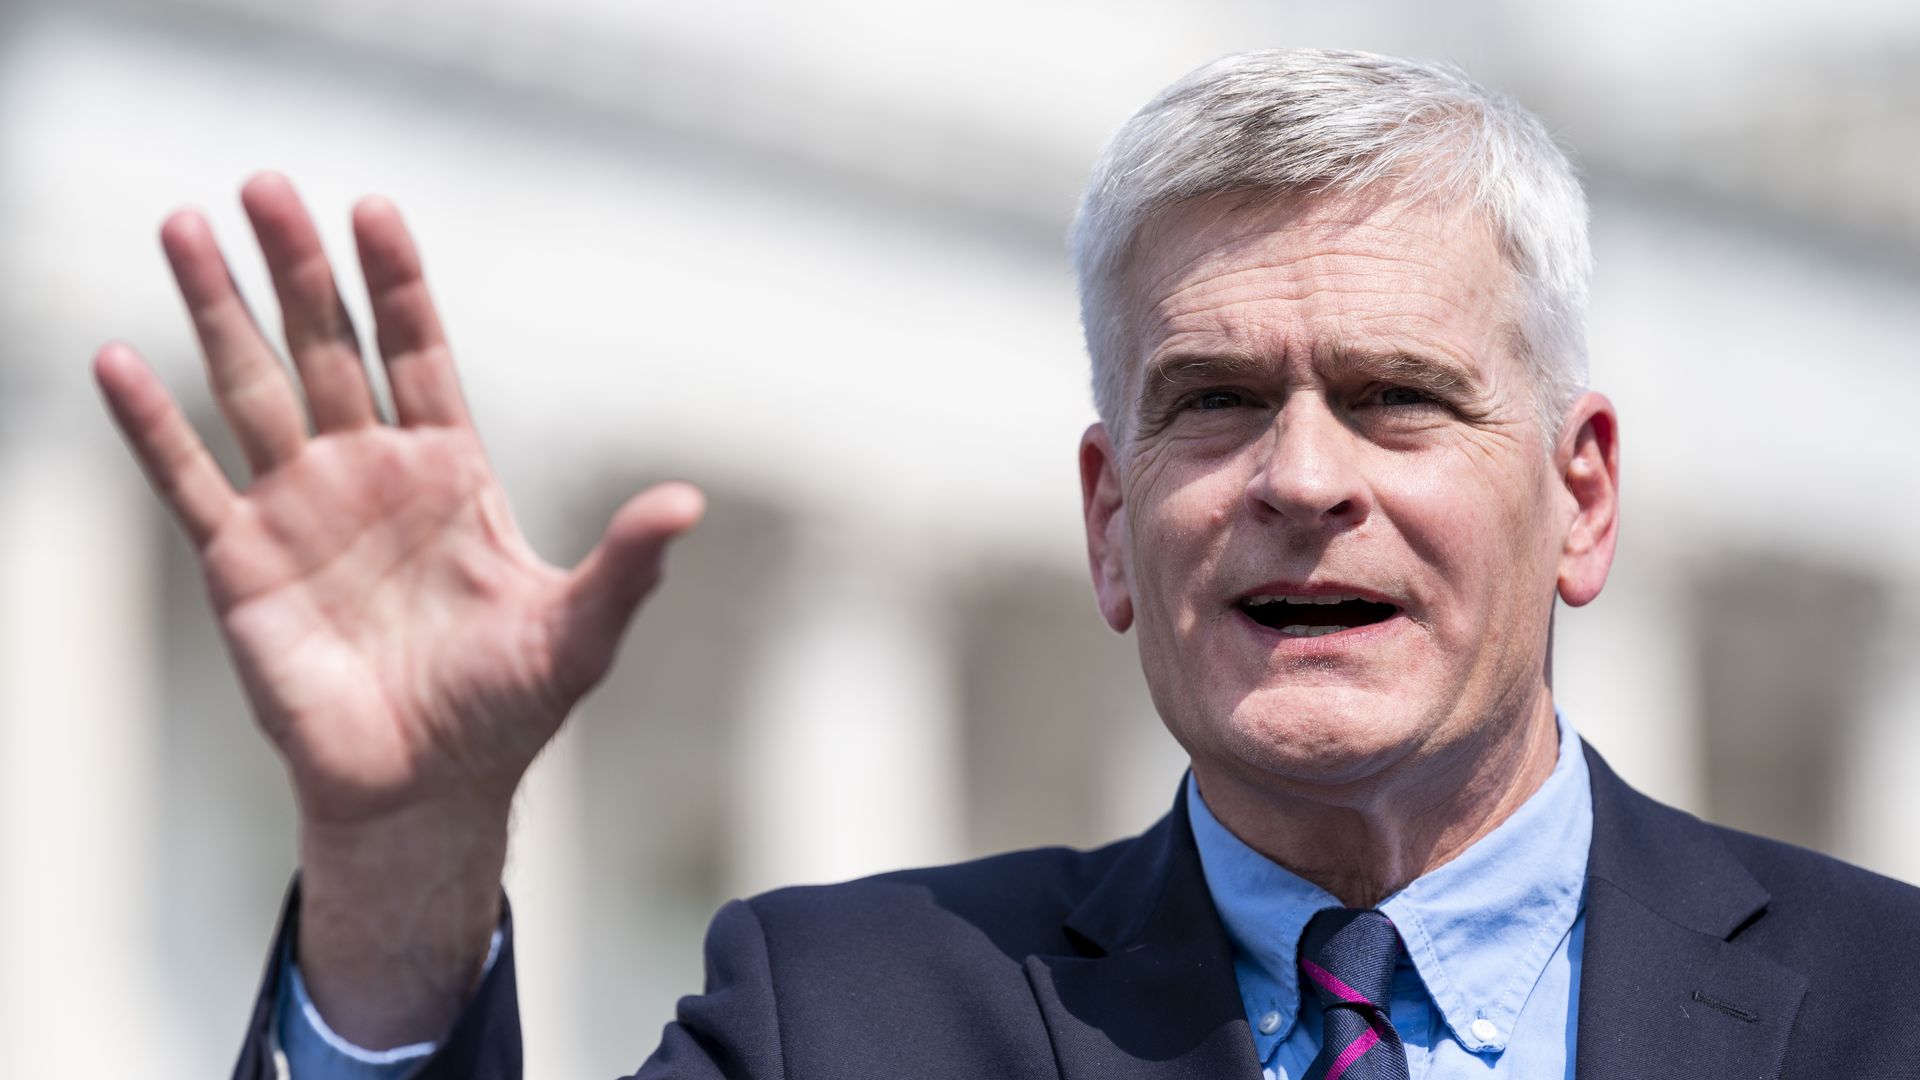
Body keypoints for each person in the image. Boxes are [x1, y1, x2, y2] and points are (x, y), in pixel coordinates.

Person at [94, 49, 1920, 1080]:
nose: (1300, 477)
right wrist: (402, 870)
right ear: (1110, 523)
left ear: (1582, 496)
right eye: (1210, 404)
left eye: (1395, 398)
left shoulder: (1881, 1008)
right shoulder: (842, 1022)